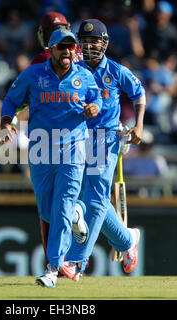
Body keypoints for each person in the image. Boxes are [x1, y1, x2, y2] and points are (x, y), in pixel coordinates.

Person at [0, 29, 101, 288]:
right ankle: (78, 213)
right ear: (51, 50)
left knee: (61, 208)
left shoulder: (85, 77)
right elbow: (11, 100)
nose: (67, 52)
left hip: (73, 150)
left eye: (71, 47)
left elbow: (96, 100)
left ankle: (53, 268)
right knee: (47, 210)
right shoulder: (33, 75)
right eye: (61, 47)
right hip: (41, 149)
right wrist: (5, 123)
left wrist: (94, 108)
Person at [61, 19, 146, 281]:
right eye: (84, 42)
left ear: (104, 43)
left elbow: (139, 94)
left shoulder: (117, 71)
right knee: (87, 198)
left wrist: (138, 125)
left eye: (93, 42)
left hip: (105, 138)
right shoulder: (73, 70)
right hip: (76, 137)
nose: (88, 46)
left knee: (95, 199)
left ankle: (76, 260)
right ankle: (126, 239)